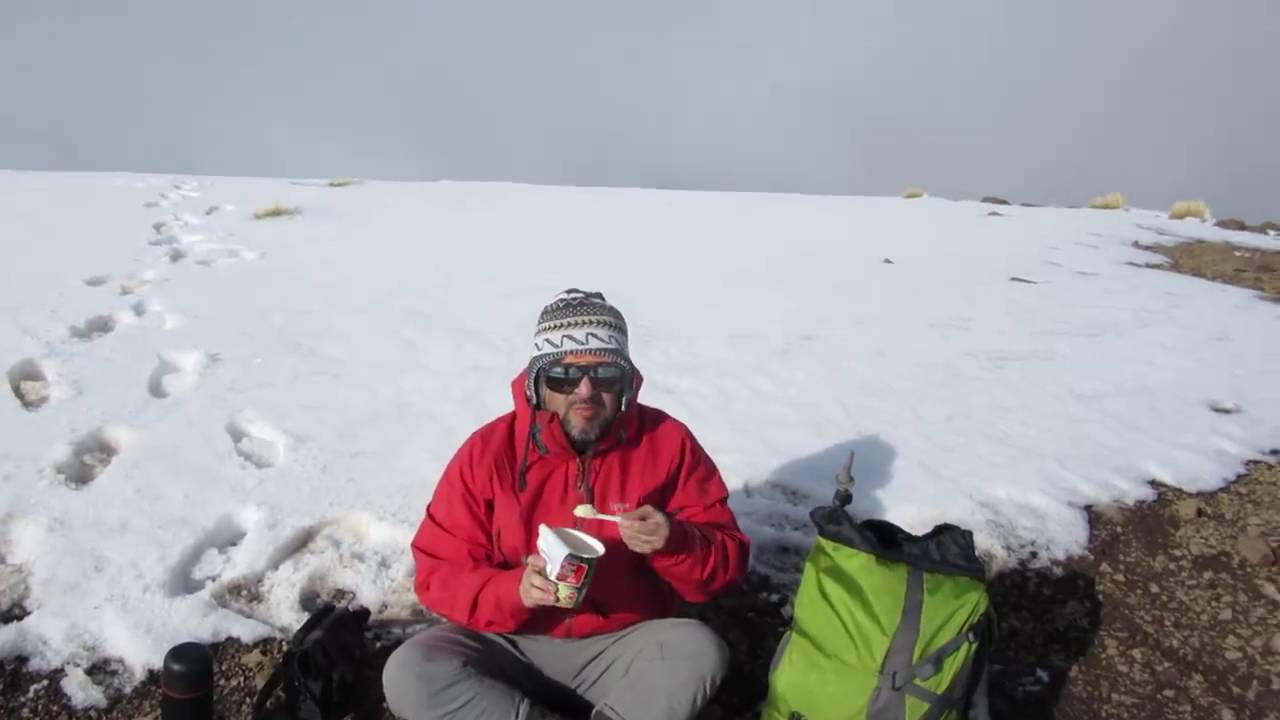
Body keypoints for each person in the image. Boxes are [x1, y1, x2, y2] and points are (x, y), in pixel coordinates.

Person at [383, 289, 751, 720]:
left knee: (697, 649)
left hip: (623, 645)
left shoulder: (667, 444)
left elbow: (726, 563)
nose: (585, 391)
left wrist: (675, 541)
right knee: (411, 670)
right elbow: (437, 572)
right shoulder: (489, 452)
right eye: (563, 375)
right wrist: (514, 590)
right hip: (510, 644)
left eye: (605, 376)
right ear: (538, 384)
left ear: (627, 385)